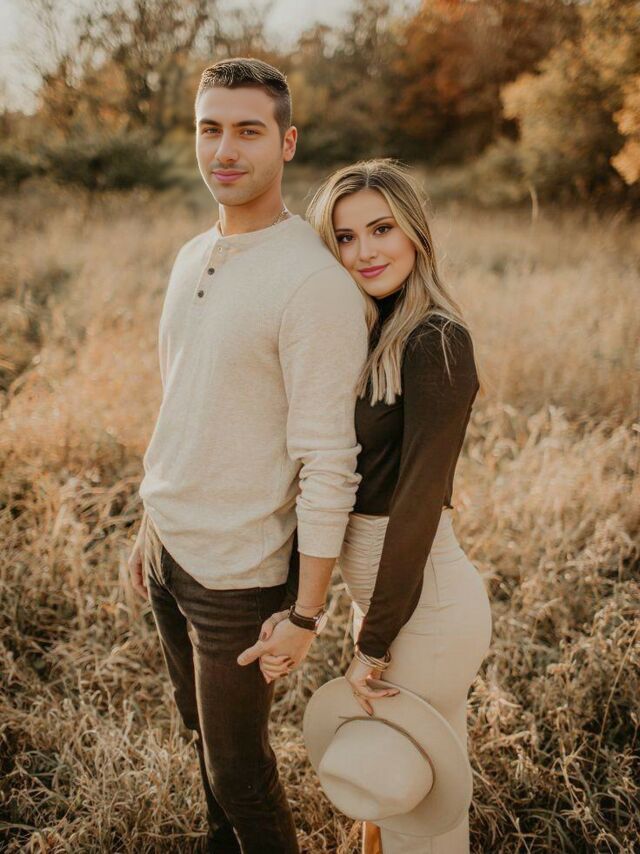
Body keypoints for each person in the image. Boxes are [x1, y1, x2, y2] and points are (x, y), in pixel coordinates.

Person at [126, 58, 368, 854]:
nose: (224, 150)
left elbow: (329, 460)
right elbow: (183, 404)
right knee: (202, 741)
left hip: (238, 574)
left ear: (287, 142)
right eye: (210, 129)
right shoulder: (190, 254)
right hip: (170, 546)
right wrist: (149, 522)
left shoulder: (312, 283)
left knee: (239, 773)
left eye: (248, 131)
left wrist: (305, 613)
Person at [259, 159, 493, 854]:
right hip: (387, 602)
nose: (364, 251)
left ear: (416, 233)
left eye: (381, 229)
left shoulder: (436, 340)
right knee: (404, 800)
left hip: (426, 609)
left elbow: (417, 505)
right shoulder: (374, 331)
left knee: (409, 800)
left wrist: (373, 643)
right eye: (345, 237)